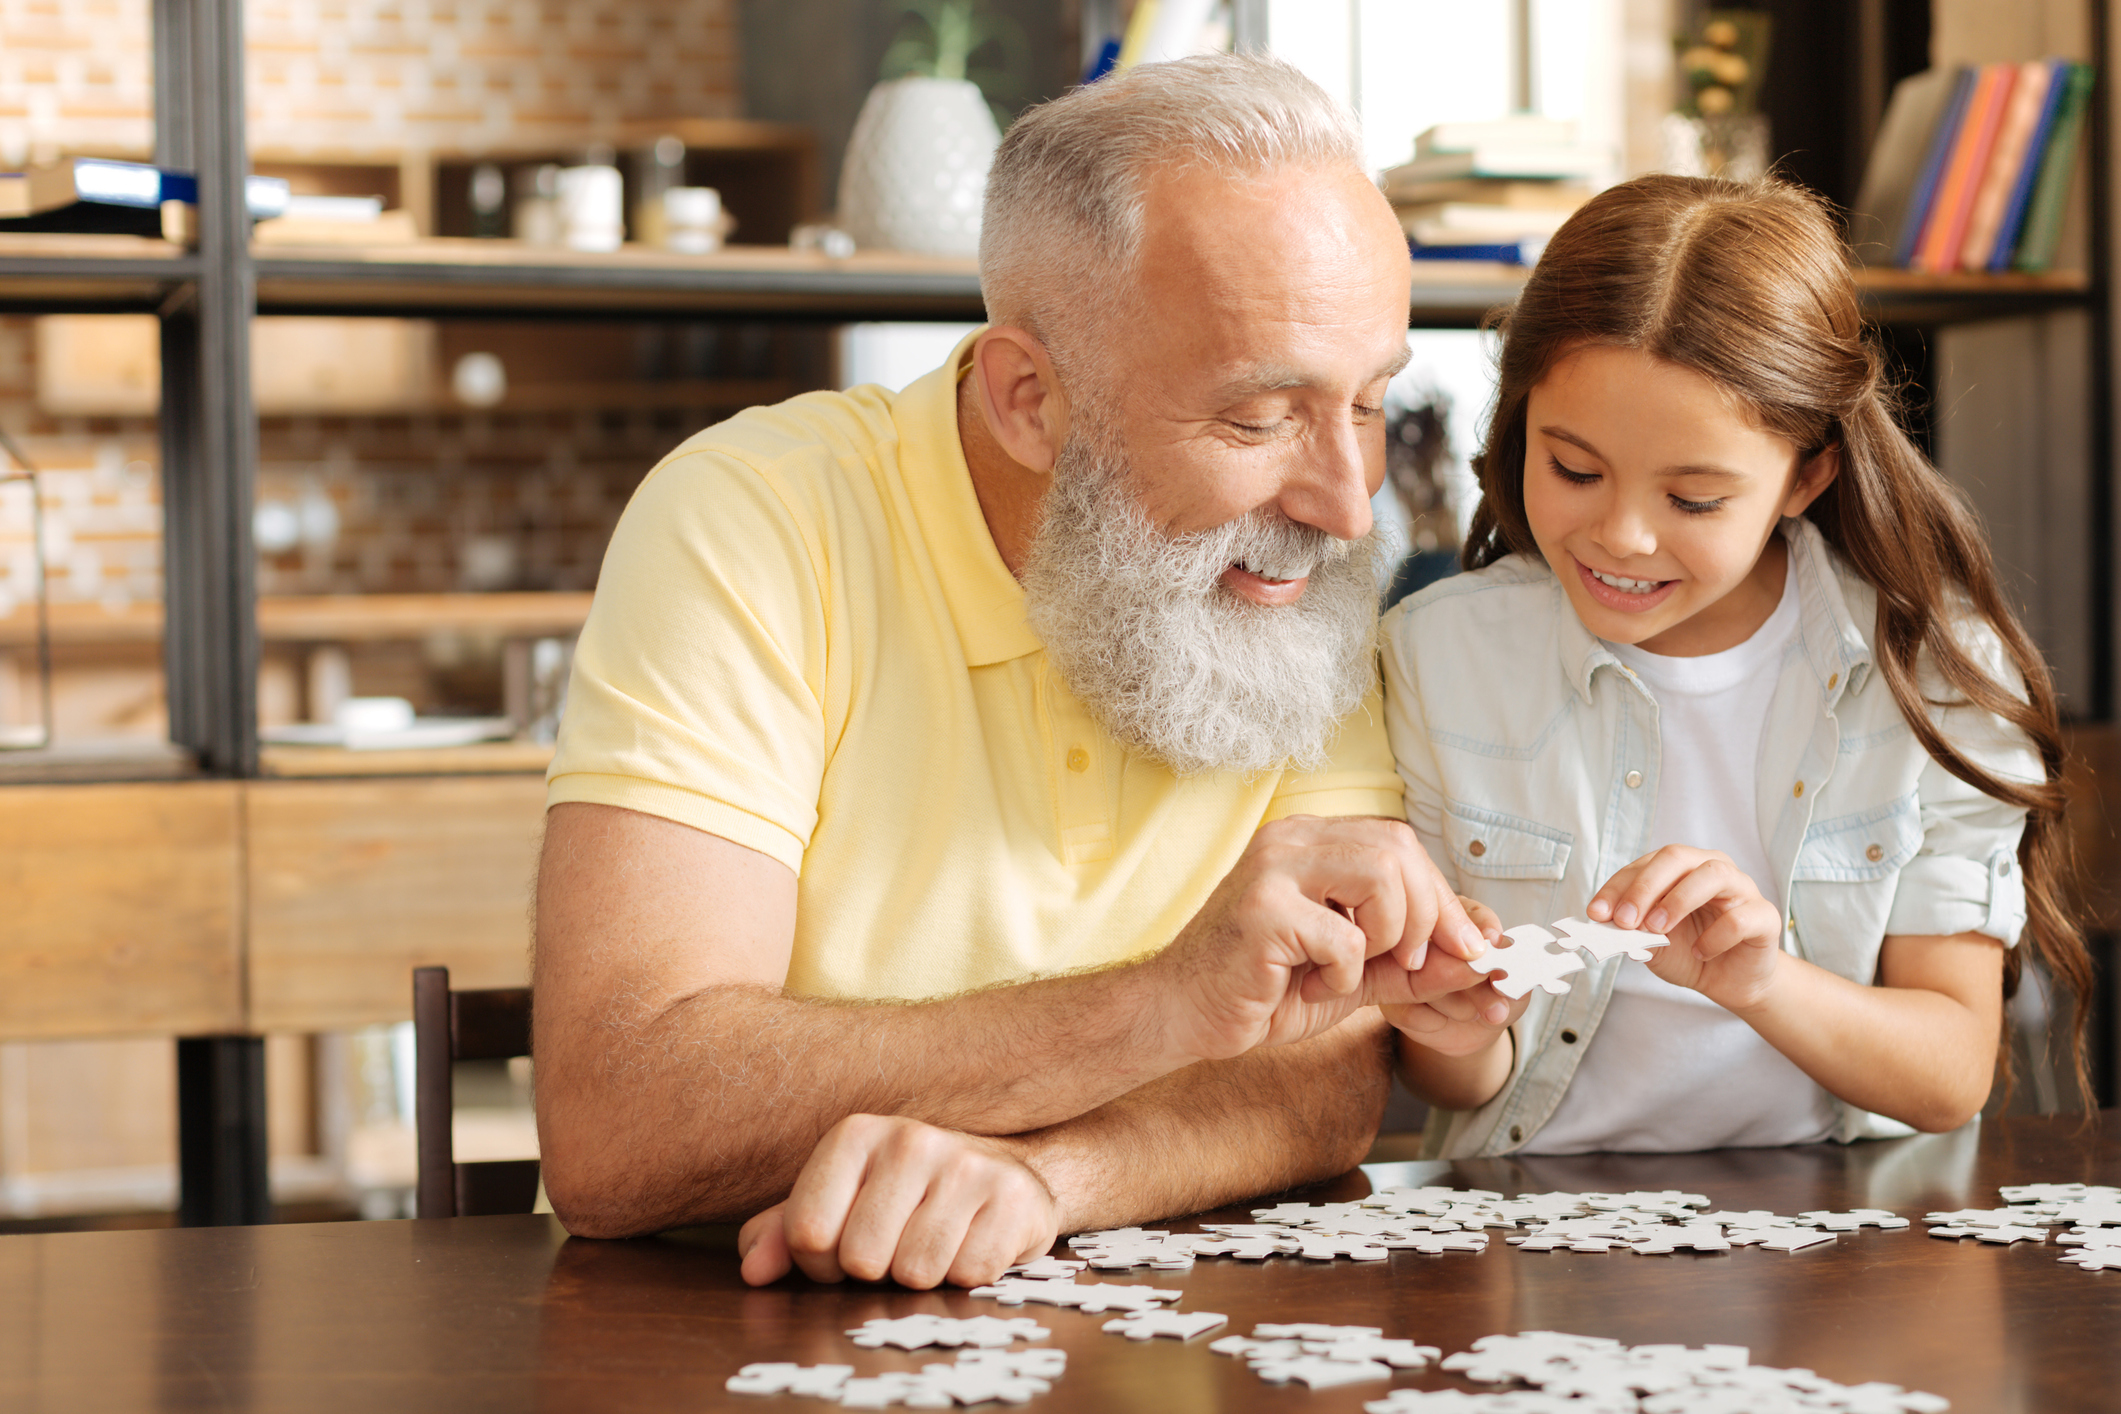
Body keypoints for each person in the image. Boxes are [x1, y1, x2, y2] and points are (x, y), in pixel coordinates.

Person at [532, 52, 1514, 1288]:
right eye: (1259, 421)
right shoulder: (754, 520)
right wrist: (1159, 1009)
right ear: (1029, 398)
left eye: (1369, 402)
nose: (1348, 506)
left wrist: (1049, 1183)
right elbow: (618, 1122)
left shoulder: (1289, 571)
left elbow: (1329, 1068)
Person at [1380, 174, 2092, 1158]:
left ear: (1807, 473)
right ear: (1521, 419)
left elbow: (1950, 1073)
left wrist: (1764, 978)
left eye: (1696, 498)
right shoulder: (1434, 653)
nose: (1622, 537)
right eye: (1575, 470)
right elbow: (1450, 1078)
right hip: (1525, 1238)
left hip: (1840, 1250)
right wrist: (1456, 1022)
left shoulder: (1935, 671)